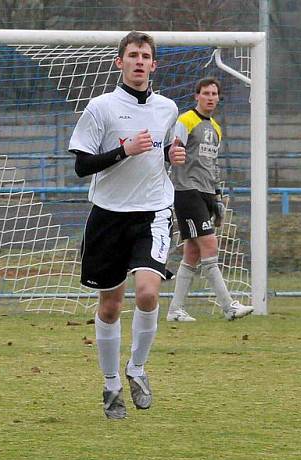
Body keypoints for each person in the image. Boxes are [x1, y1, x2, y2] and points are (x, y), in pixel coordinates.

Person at [69, 31, 185, 420]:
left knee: (148, 292)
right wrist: (123, 150)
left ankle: (136, 368)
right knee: (111, 305)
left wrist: (173, 153)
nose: (139, 61)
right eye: (132, 55)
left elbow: (162, 152)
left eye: (145, 56)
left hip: (152, 212)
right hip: (107, 215)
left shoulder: (168, 108)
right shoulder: (100, 108)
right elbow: (82, 166)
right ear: (119, 62)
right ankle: (110, 383)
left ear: (154, 64)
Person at [166, 77, 254, 322]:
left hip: (205, 193)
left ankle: (175, 310)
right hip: (187, 191)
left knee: (193, 253)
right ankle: (229, 306)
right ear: (197, 96)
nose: (211, 97)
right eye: (206, 93)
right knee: (210, 247)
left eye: (215, 93)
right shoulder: (185, 121)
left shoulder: (216, 127)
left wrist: (216, 197)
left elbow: (211, 165)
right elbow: (172, 152)